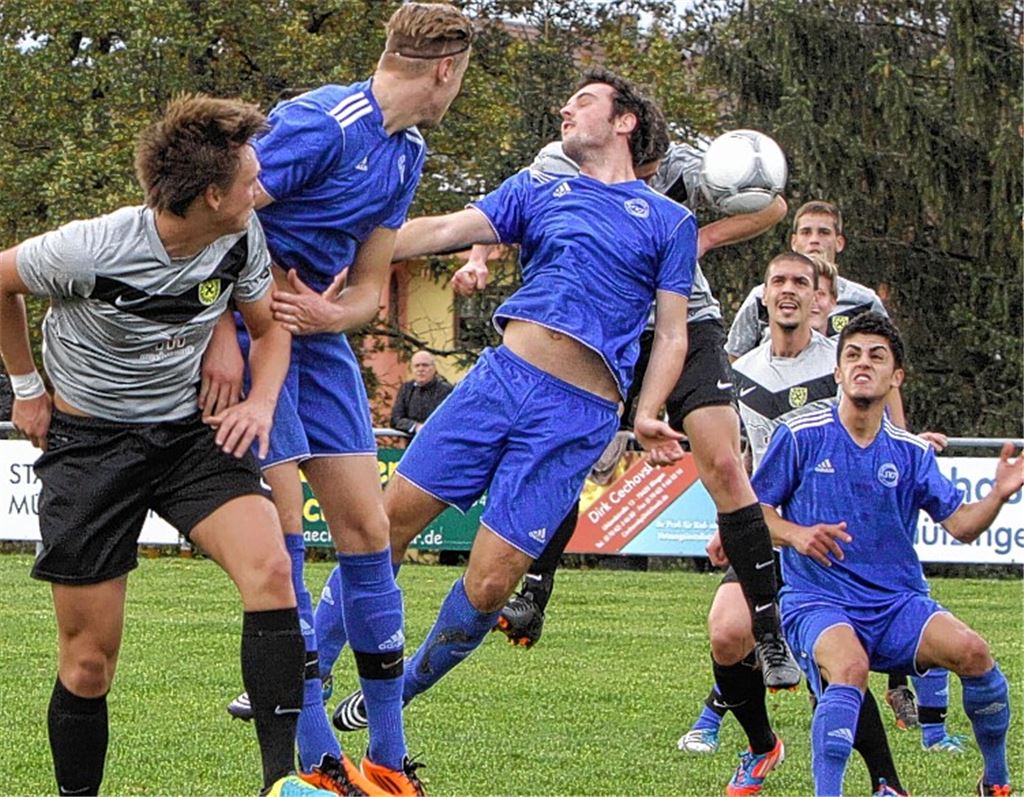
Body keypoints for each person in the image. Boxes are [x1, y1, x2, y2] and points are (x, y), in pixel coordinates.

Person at [328, 67, 698, 732]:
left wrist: (648, 411)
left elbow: (672, 333)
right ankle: (310, 662)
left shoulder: (670, 221)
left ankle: (399, 690)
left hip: (577, 417)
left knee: (492, 585)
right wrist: (354, 250)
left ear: (624, 121)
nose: (564, 109)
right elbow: (441, 228)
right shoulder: (539, 187)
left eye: (582, 101)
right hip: (500, 382)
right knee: (381, 527)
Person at [0, 95, 330, 797]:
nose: (259, 185)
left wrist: (259, 400)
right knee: (89, 661)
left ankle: (283, 784)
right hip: (91, 446)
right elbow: (1, 281)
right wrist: (27, 386)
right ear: (213, 194)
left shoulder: (241, 236)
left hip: (188, 434)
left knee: (271, 569)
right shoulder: (91, 248)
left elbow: (270, 330)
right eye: (249, 178)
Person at [216, 4, 475, 795]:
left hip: (319, 342)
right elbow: (214, 213)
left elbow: (368, 287)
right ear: (445, 69)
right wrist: (225, 334)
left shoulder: (408, 152)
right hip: (252, 329)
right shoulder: (322, 123)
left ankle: (389, 761)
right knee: (285, 537)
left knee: (367, 528)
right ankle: (318, 758)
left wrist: (336, 313)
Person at [451, 137, 801, 689]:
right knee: (568, 459)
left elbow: (772, 205)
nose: (654, 173)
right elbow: (500, 212)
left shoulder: (683, 160)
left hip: (687, 324)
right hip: (602, 331)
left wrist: (701, 239)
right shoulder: (559, 162)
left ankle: (769, 631)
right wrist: (475, 261)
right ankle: (534, 596)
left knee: (724, 464)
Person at [754, 312, 1019, 797]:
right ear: (836, 372)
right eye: (851, 355)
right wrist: (796, 534)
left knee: (975, 653)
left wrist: (999, 494)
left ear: (895, 377)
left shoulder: (911, 452)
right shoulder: (799, 435)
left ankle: (996, 780)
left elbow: (961, 527)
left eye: (877, 356)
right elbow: (754, 512)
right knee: (850, 669)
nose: (862, 363)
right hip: (819, 600)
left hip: (897, 604)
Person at [680, 253, 914, 797]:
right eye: (778, 281)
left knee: (836, 671)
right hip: (767, 529)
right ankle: (763, 747)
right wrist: (731, 522)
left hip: (829, 541)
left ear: (819, 300)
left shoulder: (842, 366)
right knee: (726, 632)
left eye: (801, 284)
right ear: (762, 297)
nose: (789, 291)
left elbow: (881, 430)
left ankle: (887, 783)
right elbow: (736, 456)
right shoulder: (741, 373)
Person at [726, 200, 888, 359]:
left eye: (824, 232)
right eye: (806, 232)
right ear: (794, 242)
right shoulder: (762, 297)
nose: (814, 240)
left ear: (839, 243)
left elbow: (885, 355)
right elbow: (736, 357)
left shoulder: (863, 302)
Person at [389, 350, 453, 435]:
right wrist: (415, 427)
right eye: (417, 366)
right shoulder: (406, 389)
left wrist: (427, 428)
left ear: (434, 368)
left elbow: (447, 420)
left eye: (425, 365)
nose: (420, 369)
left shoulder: (446, 390)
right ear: (412, 369)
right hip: (412, 444)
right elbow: (395, 419)